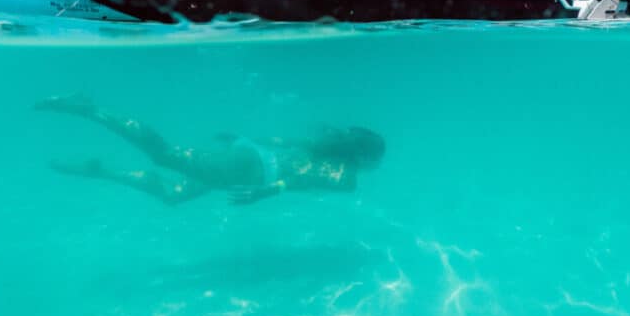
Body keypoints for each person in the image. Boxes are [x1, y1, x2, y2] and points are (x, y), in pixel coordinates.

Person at [36, 95, 385, 206]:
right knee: (164, 154)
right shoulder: (347, 177)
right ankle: (92, 111)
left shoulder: (323, 144)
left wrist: (242, 139)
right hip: (251, 174)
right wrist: (264, 192)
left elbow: (281, 144)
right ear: (365, 158)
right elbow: (302, 179)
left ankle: (104, 171)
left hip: (250, 158)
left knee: (175, 195)